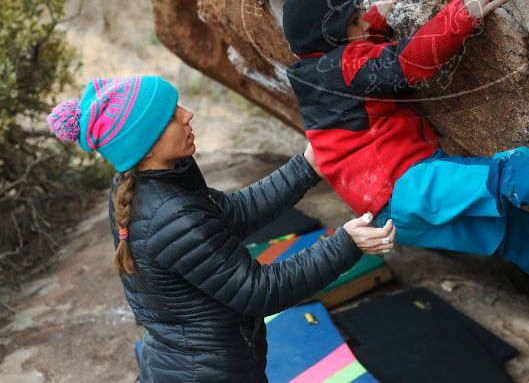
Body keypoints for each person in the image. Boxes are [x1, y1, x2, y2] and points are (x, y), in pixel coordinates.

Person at [282, 0, 529, 310]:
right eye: (353, 22)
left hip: (388, 217)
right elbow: (405, 65)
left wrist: (372, 23)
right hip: (405, 185)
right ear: (331, 38)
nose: (362, 23)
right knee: (506, 174)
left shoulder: (310, 74)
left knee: (512, 234)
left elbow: (360, 68)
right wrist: (460, 14)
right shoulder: (341, 65)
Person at [47, 75, 395, 382]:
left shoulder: (142, 181)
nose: (187, 114)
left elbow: (229, 214)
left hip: (183, 360)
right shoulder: (169, 214)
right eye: (171, 116)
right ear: (147, 145)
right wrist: (345, 244)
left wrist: (305, 168)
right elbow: (260, 290)